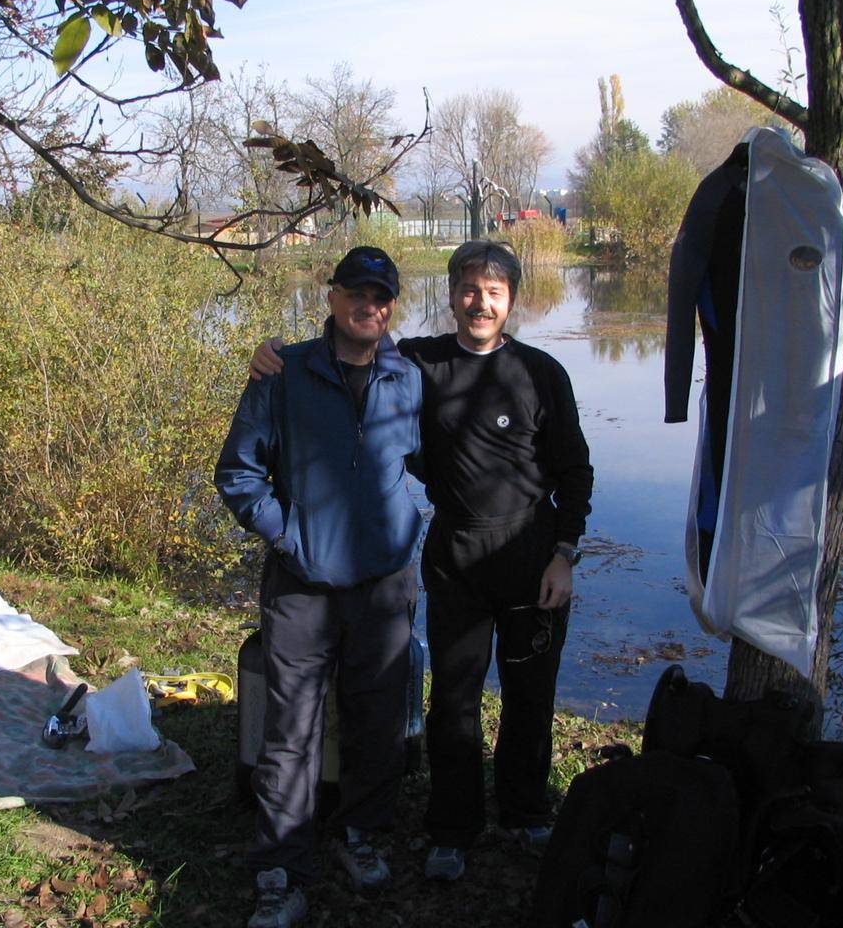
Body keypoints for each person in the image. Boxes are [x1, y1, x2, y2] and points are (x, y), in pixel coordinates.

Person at [250, 240, 593, 882]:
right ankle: (452, 828)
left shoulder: (542, 372)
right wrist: (274, 354)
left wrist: (564, 553)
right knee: (454, 699)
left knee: (530, 696)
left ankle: (525, 813)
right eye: (469, 290)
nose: (480, 303)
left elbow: (575, 471)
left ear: (512, 300)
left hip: (531, 554)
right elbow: (350, 353)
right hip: (456, 556)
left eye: (494, 293)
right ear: (452, 295)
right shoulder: (418, 363)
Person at [215, 246, 423, 928]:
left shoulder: (407, 378)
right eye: (356, 292)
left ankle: (361, 837)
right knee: (289, 730)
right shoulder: (284, 373)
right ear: (331, 296)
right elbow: (238, 472)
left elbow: (438, 459)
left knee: (378, 721)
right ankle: (281, 869)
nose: (369, 305)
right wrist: (288, 534)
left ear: (392, 306)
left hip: (384, 584)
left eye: (381, 296)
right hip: (301, 582)